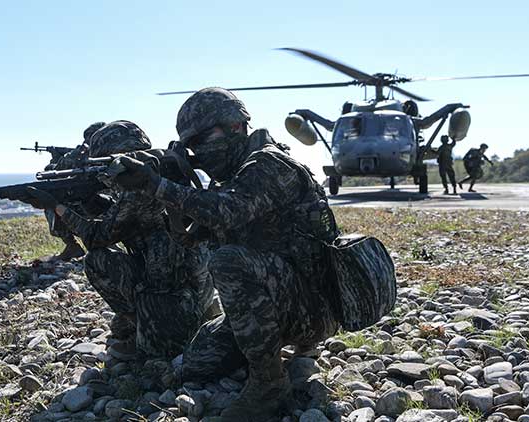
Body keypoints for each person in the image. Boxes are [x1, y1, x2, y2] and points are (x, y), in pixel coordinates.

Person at [109, 88, 341, 421]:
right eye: (191, 146)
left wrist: (158, 186)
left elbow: (225, 213)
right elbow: (191, 238)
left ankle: (269, 383)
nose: (198, 152)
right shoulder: (237, 177)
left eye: (201, 139)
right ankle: (268, 352)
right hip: (280, 303)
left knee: (228, 261)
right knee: (195, 364)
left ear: (235, 127)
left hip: (313, 310)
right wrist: (174, 187)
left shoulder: (270, 164)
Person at [24, 120, 214, 358]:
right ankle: (161, 319)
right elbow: (121, 219)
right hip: (195, 284)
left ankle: (149, 329)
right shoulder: (161, 170)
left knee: (98, 261)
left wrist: (56, 206)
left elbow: (97, 237)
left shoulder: (137, 188)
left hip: (173, 295)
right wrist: (83, 201)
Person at [43, 121, 106, 261]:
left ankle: (89, 246)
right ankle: (74, 247)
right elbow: (56, 170)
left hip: (103, 205)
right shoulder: (92, 154)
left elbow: (57, 169)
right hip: (101, 203)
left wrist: (71, 156)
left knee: (53, 204)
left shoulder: (100, 155)